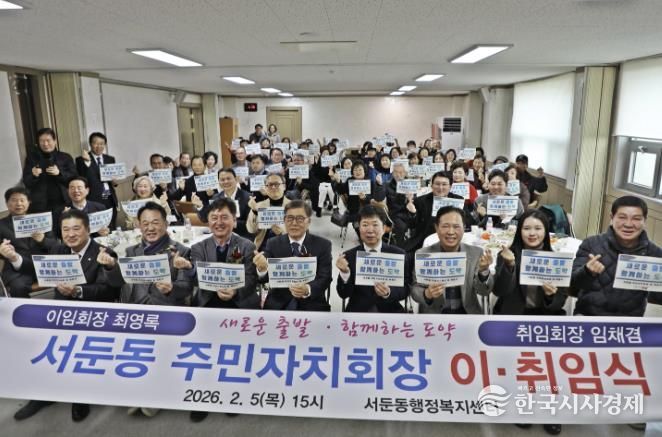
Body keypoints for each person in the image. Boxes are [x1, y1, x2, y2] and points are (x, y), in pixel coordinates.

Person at [11, 208, 120, 422]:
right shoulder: (59, 249)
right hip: (61, 312)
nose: (70, 234)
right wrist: (13, 257)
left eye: (76, 229)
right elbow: (37, 269)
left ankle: (79, 395)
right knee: (41, 344)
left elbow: (109, 291)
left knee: (75, 347)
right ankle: (44, 394)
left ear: (88, 229)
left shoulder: (104, 252)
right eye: (65, 229)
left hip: (92, 314)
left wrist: (78, 291)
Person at [97, 202, 193, 418]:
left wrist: (171, 288)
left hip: (166, 309)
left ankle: (155, 395)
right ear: (139, 226)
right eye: (145, 223)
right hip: (136, 308)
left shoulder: (181, 250)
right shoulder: (131, 251)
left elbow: (186, 287)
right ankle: (139, 391)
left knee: (160, 350)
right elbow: (117, 282)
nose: (150, 228)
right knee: (134, 351)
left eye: (155, 222)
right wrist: (111, 266)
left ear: (166, 224)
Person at [571, 195, 662, 317]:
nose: (628, 224)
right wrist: (587, 272)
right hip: (589, 317)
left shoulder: (655, 253)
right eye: (622, 217)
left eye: (636, 219)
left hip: (629, 321)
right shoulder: (591, 244)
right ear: (612, 218)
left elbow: (658, 298)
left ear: (644, 221)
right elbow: (572, 284)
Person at [411, 206, 493, 314]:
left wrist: (483, 272)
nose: (451, 232)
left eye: (456, 226)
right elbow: (415, 289)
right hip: (434, 315)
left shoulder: (475, 253)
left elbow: (484, 291)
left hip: (467, 314)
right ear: (436, 228)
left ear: (464, 228)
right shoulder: (423, 254)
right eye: (445, 226)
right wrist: (427, 293)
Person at [253, 200, 332, 311]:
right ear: (284, 221)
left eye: (300, 219)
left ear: (309, 221)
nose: (294, 223)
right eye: (290, 219)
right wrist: (262, 269)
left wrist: (307, 289)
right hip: (278, 302)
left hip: (312, 303)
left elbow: (325, 277)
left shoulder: (323, 245)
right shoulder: (273, 243)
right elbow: (264, 278)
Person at [336, 206, 410, 313]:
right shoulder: (349, 256)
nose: (370, 230)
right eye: (365, 225)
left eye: (375, 225)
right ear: (359, 228)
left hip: (390, 310)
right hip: (358, 311)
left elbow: (406, 289)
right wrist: (345, 273)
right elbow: (343, 294)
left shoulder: (398, 255)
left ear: (384, 228)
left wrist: (388, 292)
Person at [0, 187, 56, 298]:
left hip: (45, 266)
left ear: (29, 202)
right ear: (7, 203)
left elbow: (55, 245)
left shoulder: (41, 220)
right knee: (18, 287)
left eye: (22, 200)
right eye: (14, 200)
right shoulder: (1, 225)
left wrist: (43, 240)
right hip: (17, 270)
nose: (18, 204)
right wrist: (4, 251)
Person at [405, 171, 471, 253]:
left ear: (450, 186)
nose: (440, 188)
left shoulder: (458, 200)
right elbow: (412, 225)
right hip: (424, 240)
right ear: (432, 185)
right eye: (437, 184)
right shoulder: (421, 201)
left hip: (453, 238)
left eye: (444, 184)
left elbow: (468, 221)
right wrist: (413, 213)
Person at [22, 127, 76, 227]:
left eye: (48, 140)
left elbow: (74, 179)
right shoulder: (31, 158)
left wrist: (59, 173)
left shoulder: (65, 157)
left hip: (63, 203)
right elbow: (27, 182)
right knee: (44, 233)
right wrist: (33, 175)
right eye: (42, 141)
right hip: (39, 206)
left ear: (55, 141)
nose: (45, 144)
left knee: (64, 229)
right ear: (38, 143)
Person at [76, 132, 119, 228]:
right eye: (96, 143)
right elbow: (81, 179)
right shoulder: (80, 160)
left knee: (112, 225)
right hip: (93, 198)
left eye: (101, 143)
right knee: (97, 228)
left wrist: (114, 182)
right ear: (90, 144)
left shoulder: (110, 159)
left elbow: (113, 180)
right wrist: (87, 162)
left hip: (109, 196)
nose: (99, 146)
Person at [334, 161, 386, 238]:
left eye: (360, 170)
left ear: (364, 171)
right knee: (359, 220)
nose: (358, 172)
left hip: (368, 209)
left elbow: (375, 198)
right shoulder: (349, 181)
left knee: (374, 218)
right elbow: (341, 191)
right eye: (355, 170)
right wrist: (338, 181)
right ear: (352, 172)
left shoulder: (370, 182)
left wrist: (365, 198)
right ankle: (362, 234)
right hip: (354, 210)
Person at [198, 168, 252, 239]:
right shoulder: (216, 198)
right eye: (222, 180)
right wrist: (200, 206)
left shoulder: (248, 197)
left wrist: (232, 223)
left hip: (242, 237)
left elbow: (251, 224)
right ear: (218, 182)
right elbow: (205, 219)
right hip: (221, 237)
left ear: (236, 179)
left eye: (228, 178)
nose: (226, 182)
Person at [246, 173, 291, 251]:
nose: (273, 187)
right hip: (264, 247)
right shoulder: (259, 205)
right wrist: (254, 211)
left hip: (287, 247)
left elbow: (302, 233)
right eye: (270, 185)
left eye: (276, 184)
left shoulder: (295, 206)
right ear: (265, 188)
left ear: (284, 186)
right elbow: (251, 230)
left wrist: (283, 233)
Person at [384, 162, 413, 248]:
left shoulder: (410, 184)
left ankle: (414, 245)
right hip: (395, 213)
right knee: (401, 227)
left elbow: (415, 200)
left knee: (420, 222)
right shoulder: (387, 185)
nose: (398, 175)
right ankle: (400, 248)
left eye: (401, 172)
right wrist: (402, 195)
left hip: (409, 212)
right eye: (396, 172)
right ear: (392, 173)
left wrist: (411, 199)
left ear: (405, 173)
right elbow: (393, 202)